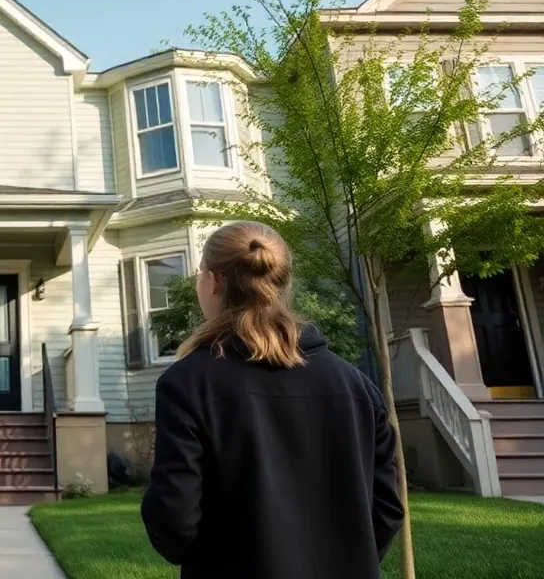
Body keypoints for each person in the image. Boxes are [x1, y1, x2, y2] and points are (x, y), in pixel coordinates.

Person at [140, 220, 403, 579]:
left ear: (214, 282)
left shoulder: (186, 384)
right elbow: (387, 510)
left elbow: (174, 522)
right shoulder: (358, 386)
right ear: (282, 282)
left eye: (200, 273)